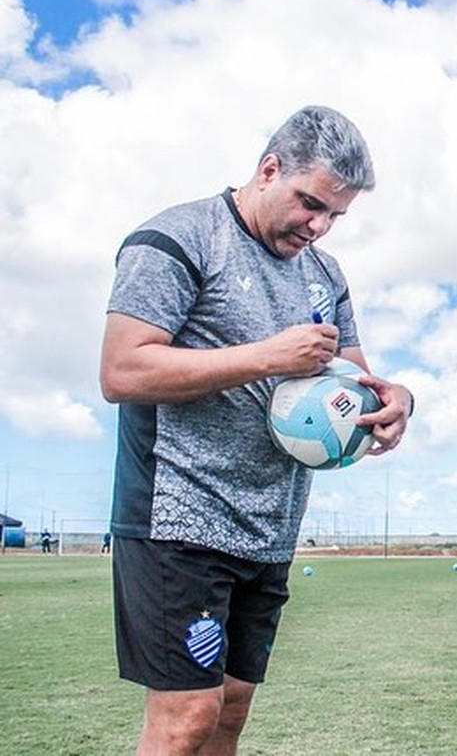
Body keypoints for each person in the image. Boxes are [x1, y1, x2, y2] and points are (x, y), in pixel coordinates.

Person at [99, 106, 414, 755]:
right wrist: (267, 356)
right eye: (310, 204)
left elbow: (350, 373)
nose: (320, 226)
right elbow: (122, 368)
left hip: (270, 524)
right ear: (269, 168)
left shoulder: (324, 276)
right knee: (188, 714)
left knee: (231, 710)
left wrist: (394, 397)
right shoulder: (179, 239)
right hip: (177, 517)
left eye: (335, 216)